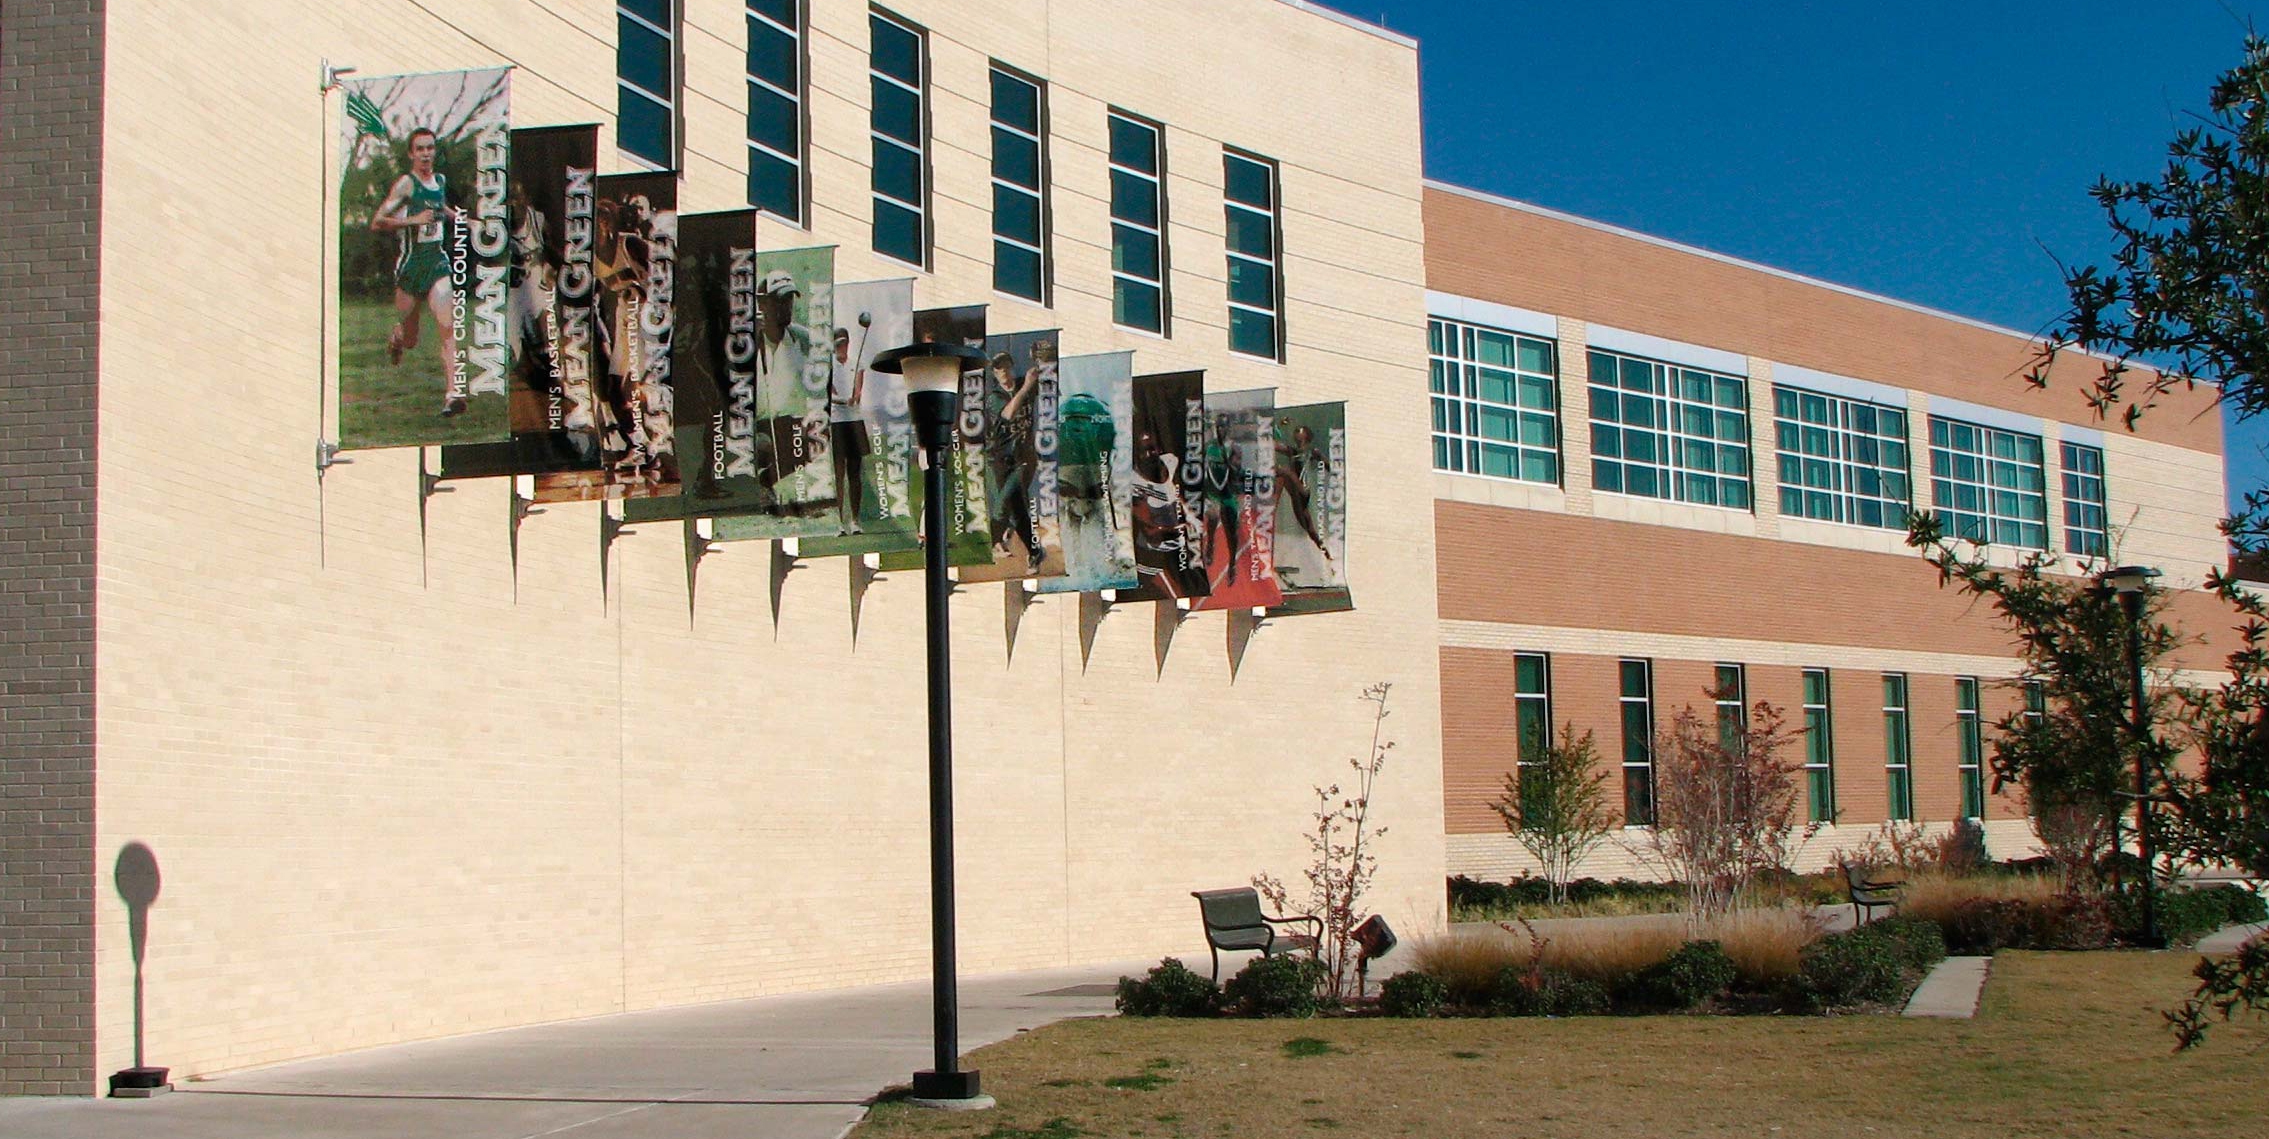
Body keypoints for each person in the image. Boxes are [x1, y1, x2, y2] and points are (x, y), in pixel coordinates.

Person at [371, 128, 462, 416]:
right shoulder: (405, 185)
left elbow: (440, 205)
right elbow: (377, 222)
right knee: (411, 340)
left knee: (447, 327)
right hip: (411, 267)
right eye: (420, 149)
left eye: (430, 148)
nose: (426, 154)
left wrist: (459, 218)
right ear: (411, 154)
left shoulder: (441, 180)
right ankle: (398, 336)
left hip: (437, 262)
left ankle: (452, 394)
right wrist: (413, 220)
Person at [754, 269, 822, 502]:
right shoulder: (746, 338)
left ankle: (765, 482)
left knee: (816, 436)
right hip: (742, 424)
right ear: (763, 303)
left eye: (789, 300)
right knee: (762, 446)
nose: (786, 307)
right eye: (779, 301)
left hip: (776, 420)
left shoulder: (800, 339)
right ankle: (750, 484)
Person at [983, 348, 1041, 568]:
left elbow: (1044, 378)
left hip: (1022, 459)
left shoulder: (1024, 385)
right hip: (996, 460)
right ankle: (1034, 551)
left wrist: (1038, 363)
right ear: (995, 374)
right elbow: (1007, 415)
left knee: (1003, 506)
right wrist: (1026, 386)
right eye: (999, 369)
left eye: (1006, 366)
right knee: (1015, 510)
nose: (1004, 372)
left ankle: (992, 542)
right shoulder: (994, 398)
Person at [826, 325, 870, 533]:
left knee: (854, 473)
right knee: (838, 473)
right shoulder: (828, 366)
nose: (841, 348)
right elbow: (830, 392)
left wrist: (855, 397)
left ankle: (855, 520)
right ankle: (838, 521)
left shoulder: (857, 363)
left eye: (843, 344)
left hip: (854, 421)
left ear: (848, 343)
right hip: (836, 422)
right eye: (837, 345)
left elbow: (859, 389)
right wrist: (841, 399)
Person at [1274, 421, 1333, 566]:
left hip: (1303, 490)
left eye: (1300, 432)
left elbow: (1328, 465)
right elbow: (1274, 445)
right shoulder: (1292, 451)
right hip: (1296, 494)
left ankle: (1270, 504)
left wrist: (1325, 462)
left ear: (1306, 436)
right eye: (1296, 432)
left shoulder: (1311, 451)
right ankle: (1326, 552)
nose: (1297, 435)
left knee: (1284, 471)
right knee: (1309, 529)